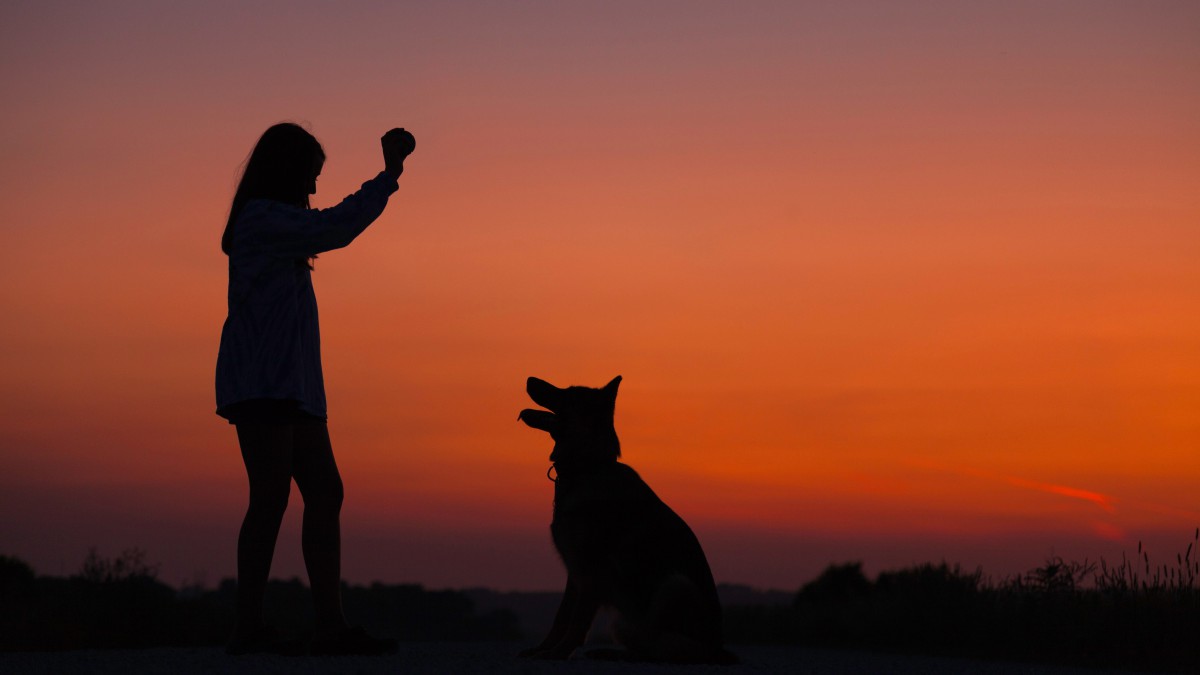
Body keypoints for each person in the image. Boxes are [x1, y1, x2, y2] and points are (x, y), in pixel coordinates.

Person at [215, 122, 415, 655]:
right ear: (287, 172)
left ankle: (329, 625)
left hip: (292, 384)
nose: (313, 189)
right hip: (263, 381)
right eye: (310, 176)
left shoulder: (275, 223)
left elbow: (327, 225)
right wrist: (389, 175)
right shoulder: (262, 220)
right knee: (271, 497)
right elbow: (337, 226)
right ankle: (248, 628)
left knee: (325, 492)